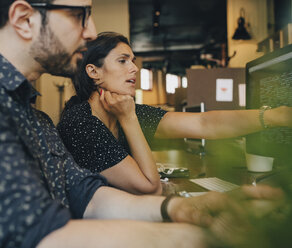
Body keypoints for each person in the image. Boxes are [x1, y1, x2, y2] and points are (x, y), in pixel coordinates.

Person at [0, 1, 282, 247]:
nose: (91, 30)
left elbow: (86, 195)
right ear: (24, 19)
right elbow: (38, 238)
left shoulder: (35, 115)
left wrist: (181, 209)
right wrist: (200, 236)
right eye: (81, 15)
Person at [57, 31, 292, 195]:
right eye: (123, 60)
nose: (134, 68)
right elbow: (149, 186)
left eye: (133, 60)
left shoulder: (123, 110)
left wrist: (275, 116)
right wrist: (128, 118)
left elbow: (204, 124)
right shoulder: (81, 122)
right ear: (93, 71)